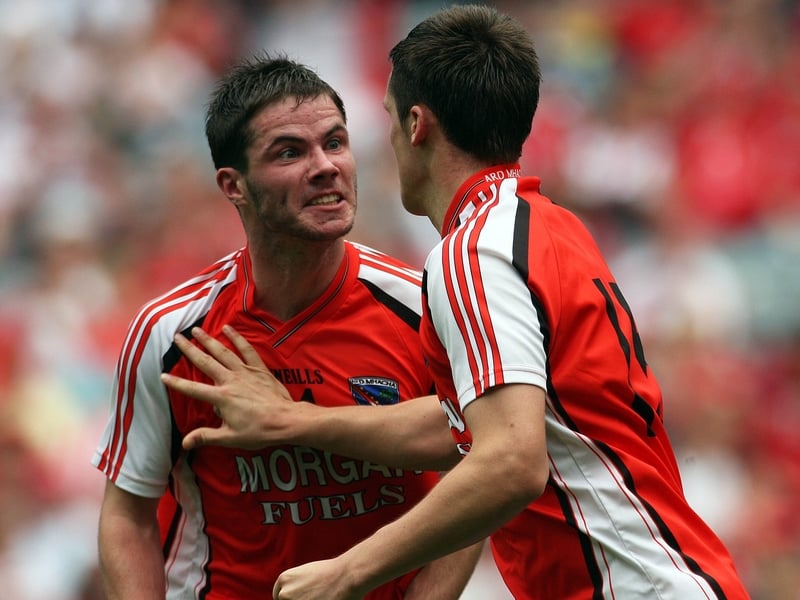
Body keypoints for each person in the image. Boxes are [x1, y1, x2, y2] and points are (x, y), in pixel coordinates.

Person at [161, 6, 751, 600]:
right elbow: (485, 422)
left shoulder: (469, 254)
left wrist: (347, 572)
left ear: (417, 125)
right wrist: (299, 422)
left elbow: (511, 462)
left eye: (387, 120)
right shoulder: (547, 226)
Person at [91, 53, 483, 600]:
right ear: (234, 186)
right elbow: (128, 516)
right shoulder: (170, 333)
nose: (325, 166)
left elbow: (479, 475)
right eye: (290, 152)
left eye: (336, 143)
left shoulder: (425, 307)